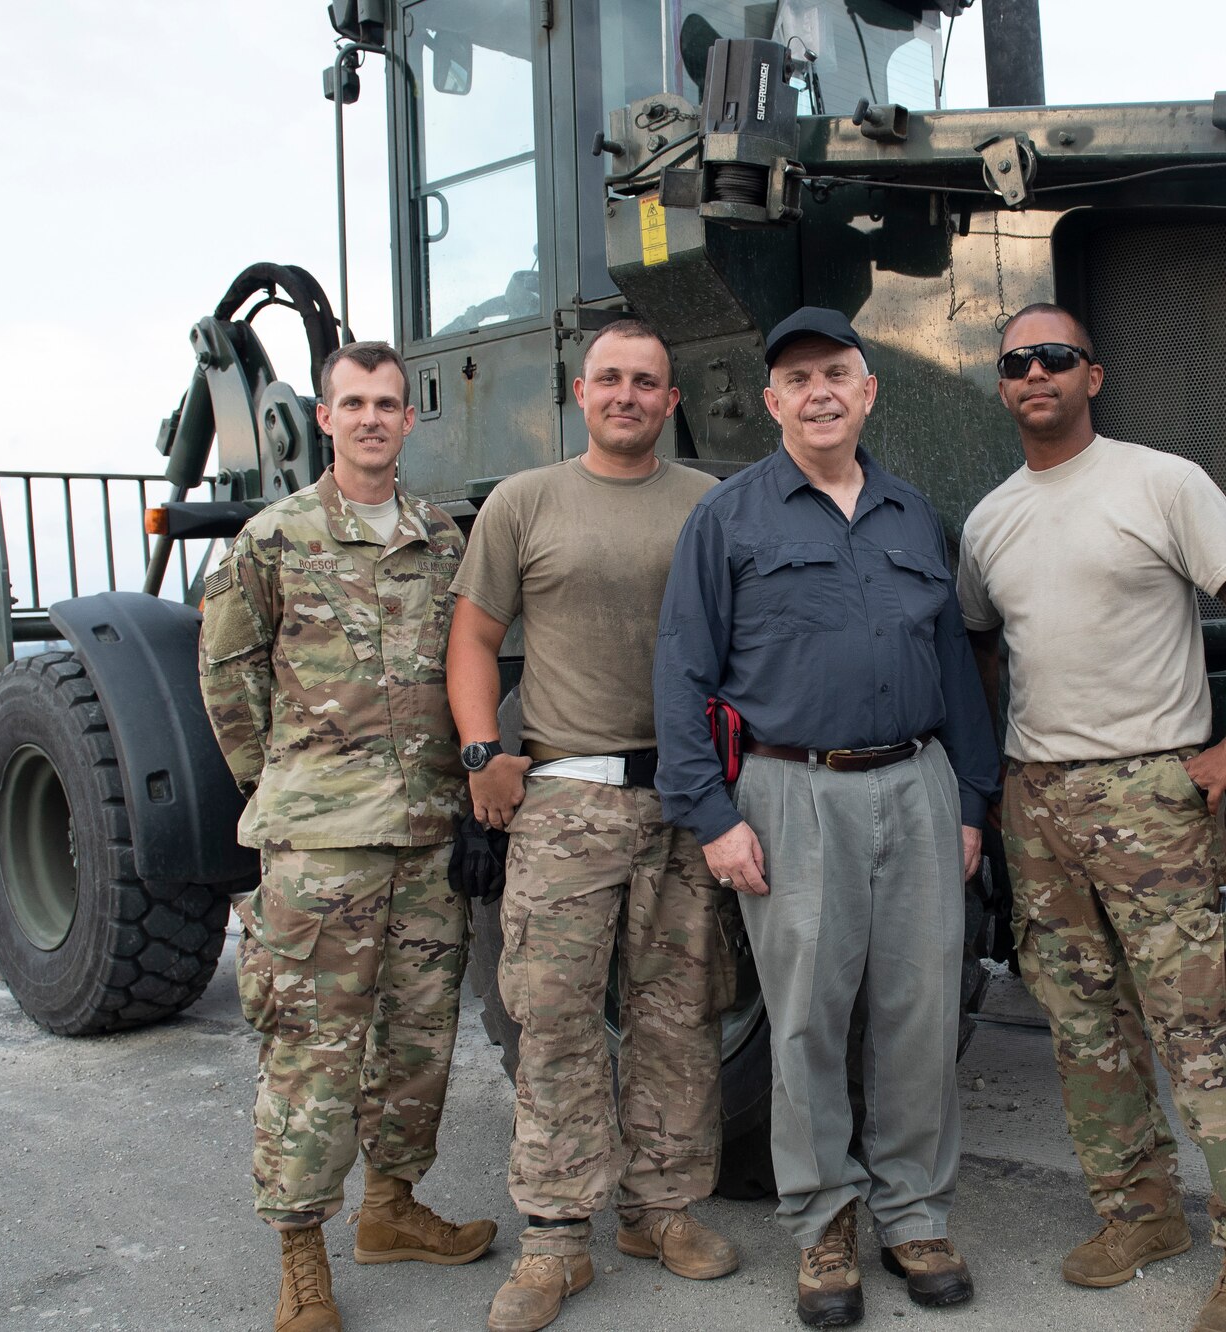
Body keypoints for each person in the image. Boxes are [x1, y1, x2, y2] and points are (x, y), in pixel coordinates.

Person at [958, 304, 1226, 1332]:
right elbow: (981, 644)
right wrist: (990, 776)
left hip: (1150, 795)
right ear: (1003, 383)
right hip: (1037, 798)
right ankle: (1139, 1213)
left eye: (1053, 357)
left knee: (1200, 1024)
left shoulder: (1158, 482)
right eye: (1016, 361)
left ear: (1091, 376)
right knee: (1082, 1027)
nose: (1034, 373)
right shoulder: (990, 518)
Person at [653, 307, 999, 1328]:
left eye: (836, 374)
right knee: (805, 1017)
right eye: (797, 379)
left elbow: (953, 670)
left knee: (919, 1011)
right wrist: (712, 814)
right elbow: (681, 671)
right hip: (788, 791)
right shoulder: (728, 518)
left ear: (867, 391)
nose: (818, 393)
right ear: (771, 403)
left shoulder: (909, 514)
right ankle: (821, 1225)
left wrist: (970, 796)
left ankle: (914, 1212)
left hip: (920, 783)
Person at [444, 318, 738, 1332]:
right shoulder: (526, 503)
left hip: (684, 797)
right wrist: (484, 754)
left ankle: (658, 1211)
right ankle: (554, 1239)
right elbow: (474, 639)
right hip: (566, 800)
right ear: (580, 393)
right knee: (555, 1020)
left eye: (645, 382)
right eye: (609, 379)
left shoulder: (708, 504)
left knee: (678, 1016)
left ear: (669, 399)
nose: (626, 395)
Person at [199, 340, 494, 1332]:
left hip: (424, 840)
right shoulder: (272, 540)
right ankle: (300, 1256)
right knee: (312, 1052)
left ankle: (392, 1209)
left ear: (410, 421)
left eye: (388, 404)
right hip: (321, 849)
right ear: (322, 419)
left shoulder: (441, 538)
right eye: (353, 403)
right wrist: (286, 791)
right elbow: (229, 683)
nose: (371, 418)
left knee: (417, 1041)